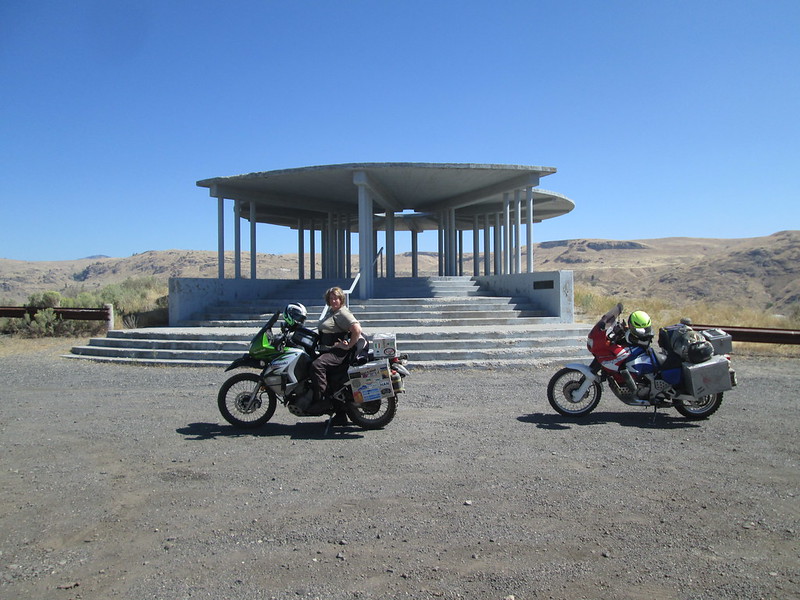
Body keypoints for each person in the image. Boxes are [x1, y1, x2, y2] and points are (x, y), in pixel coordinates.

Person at [311, 286, 364, 424]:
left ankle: (323, 400)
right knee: (333, 381)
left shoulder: (342, 313)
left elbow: (357, 329)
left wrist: (348, 345)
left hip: (339, 353)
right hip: (329, 350)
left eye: (336, 298)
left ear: (341, 299)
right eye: (331, 298)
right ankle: (340, 415)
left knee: (317, 365)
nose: (334, 300)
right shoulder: (332, 311)